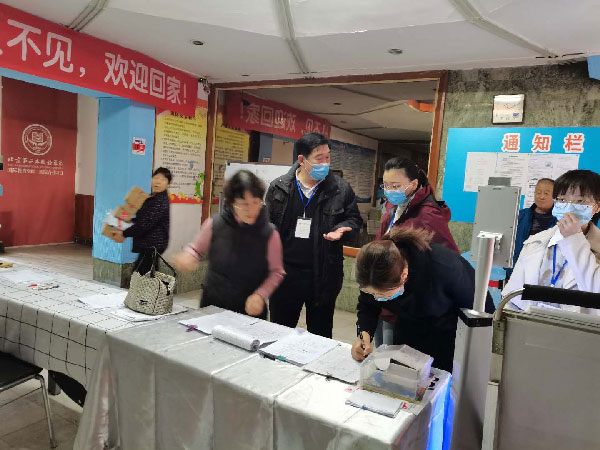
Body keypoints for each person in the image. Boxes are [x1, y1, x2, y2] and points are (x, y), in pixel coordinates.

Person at [351, 227, 495, 372]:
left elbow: (480, 311)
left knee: (439, 381)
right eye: (372, 293)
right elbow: (367, 305)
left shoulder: (443, 267)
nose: (376, 298)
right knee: (404, 377)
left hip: (447, 337)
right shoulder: (373, 272)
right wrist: (363, 335)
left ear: (403, 276)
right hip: (407, 332)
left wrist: (472, 359)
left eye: (383, 295)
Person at [265, 132, 363, 337]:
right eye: (319, 158)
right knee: (279, 332)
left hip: (323, 274)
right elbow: (268, 225)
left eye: (328, 157)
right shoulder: (279, 187)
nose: (325, 163)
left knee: (320, 334)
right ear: (302, 160)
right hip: (285, 275)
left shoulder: (340, 189)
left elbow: (354, 220)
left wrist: (344, 229)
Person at [172, 170, 284, 319]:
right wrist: (189, 256)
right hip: (213, 303)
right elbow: (196, 250)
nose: (251, 209)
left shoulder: (270, 233)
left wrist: (260, 294)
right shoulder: (215, 224)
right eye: (244, 204)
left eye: (255, 202)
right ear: (232, 203)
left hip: (250, 308)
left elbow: (276, 272)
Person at [504, 170, 600, 311]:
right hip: (531, 322)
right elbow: (512, 297)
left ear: (597, 206)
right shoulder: (535, 241)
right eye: (562, 200)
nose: (569, 207)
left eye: (580, 201)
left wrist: (574, 239)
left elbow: (595, 290)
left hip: (578, 324)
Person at [376, 157, 458, 253]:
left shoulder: (428, 214)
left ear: (414, 184)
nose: (389, 191)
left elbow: (448, 256)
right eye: (386, 185)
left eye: (395, 186)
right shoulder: (392, 206)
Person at [111, 167, 172, 275]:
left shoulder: (159, 201)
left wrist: (124, 233)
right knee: (148, 276)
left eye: (163, 179)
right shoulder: (154, 197)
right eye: (156, 177)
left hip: (152, 245)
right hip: (151, 244)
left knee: (140, 276)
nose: (158, 181)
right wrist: (125, 222)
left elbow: (145, 224)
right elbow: (142, 219)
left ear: (168, 184)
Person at [512, 178, 557, 268]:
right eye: (538, 193)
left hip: (544, 270)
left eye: (546, 193)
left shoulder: (560, 220)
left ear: (555, 196)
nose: (541, 197)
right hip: (516, 268)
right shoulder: (520, 215)